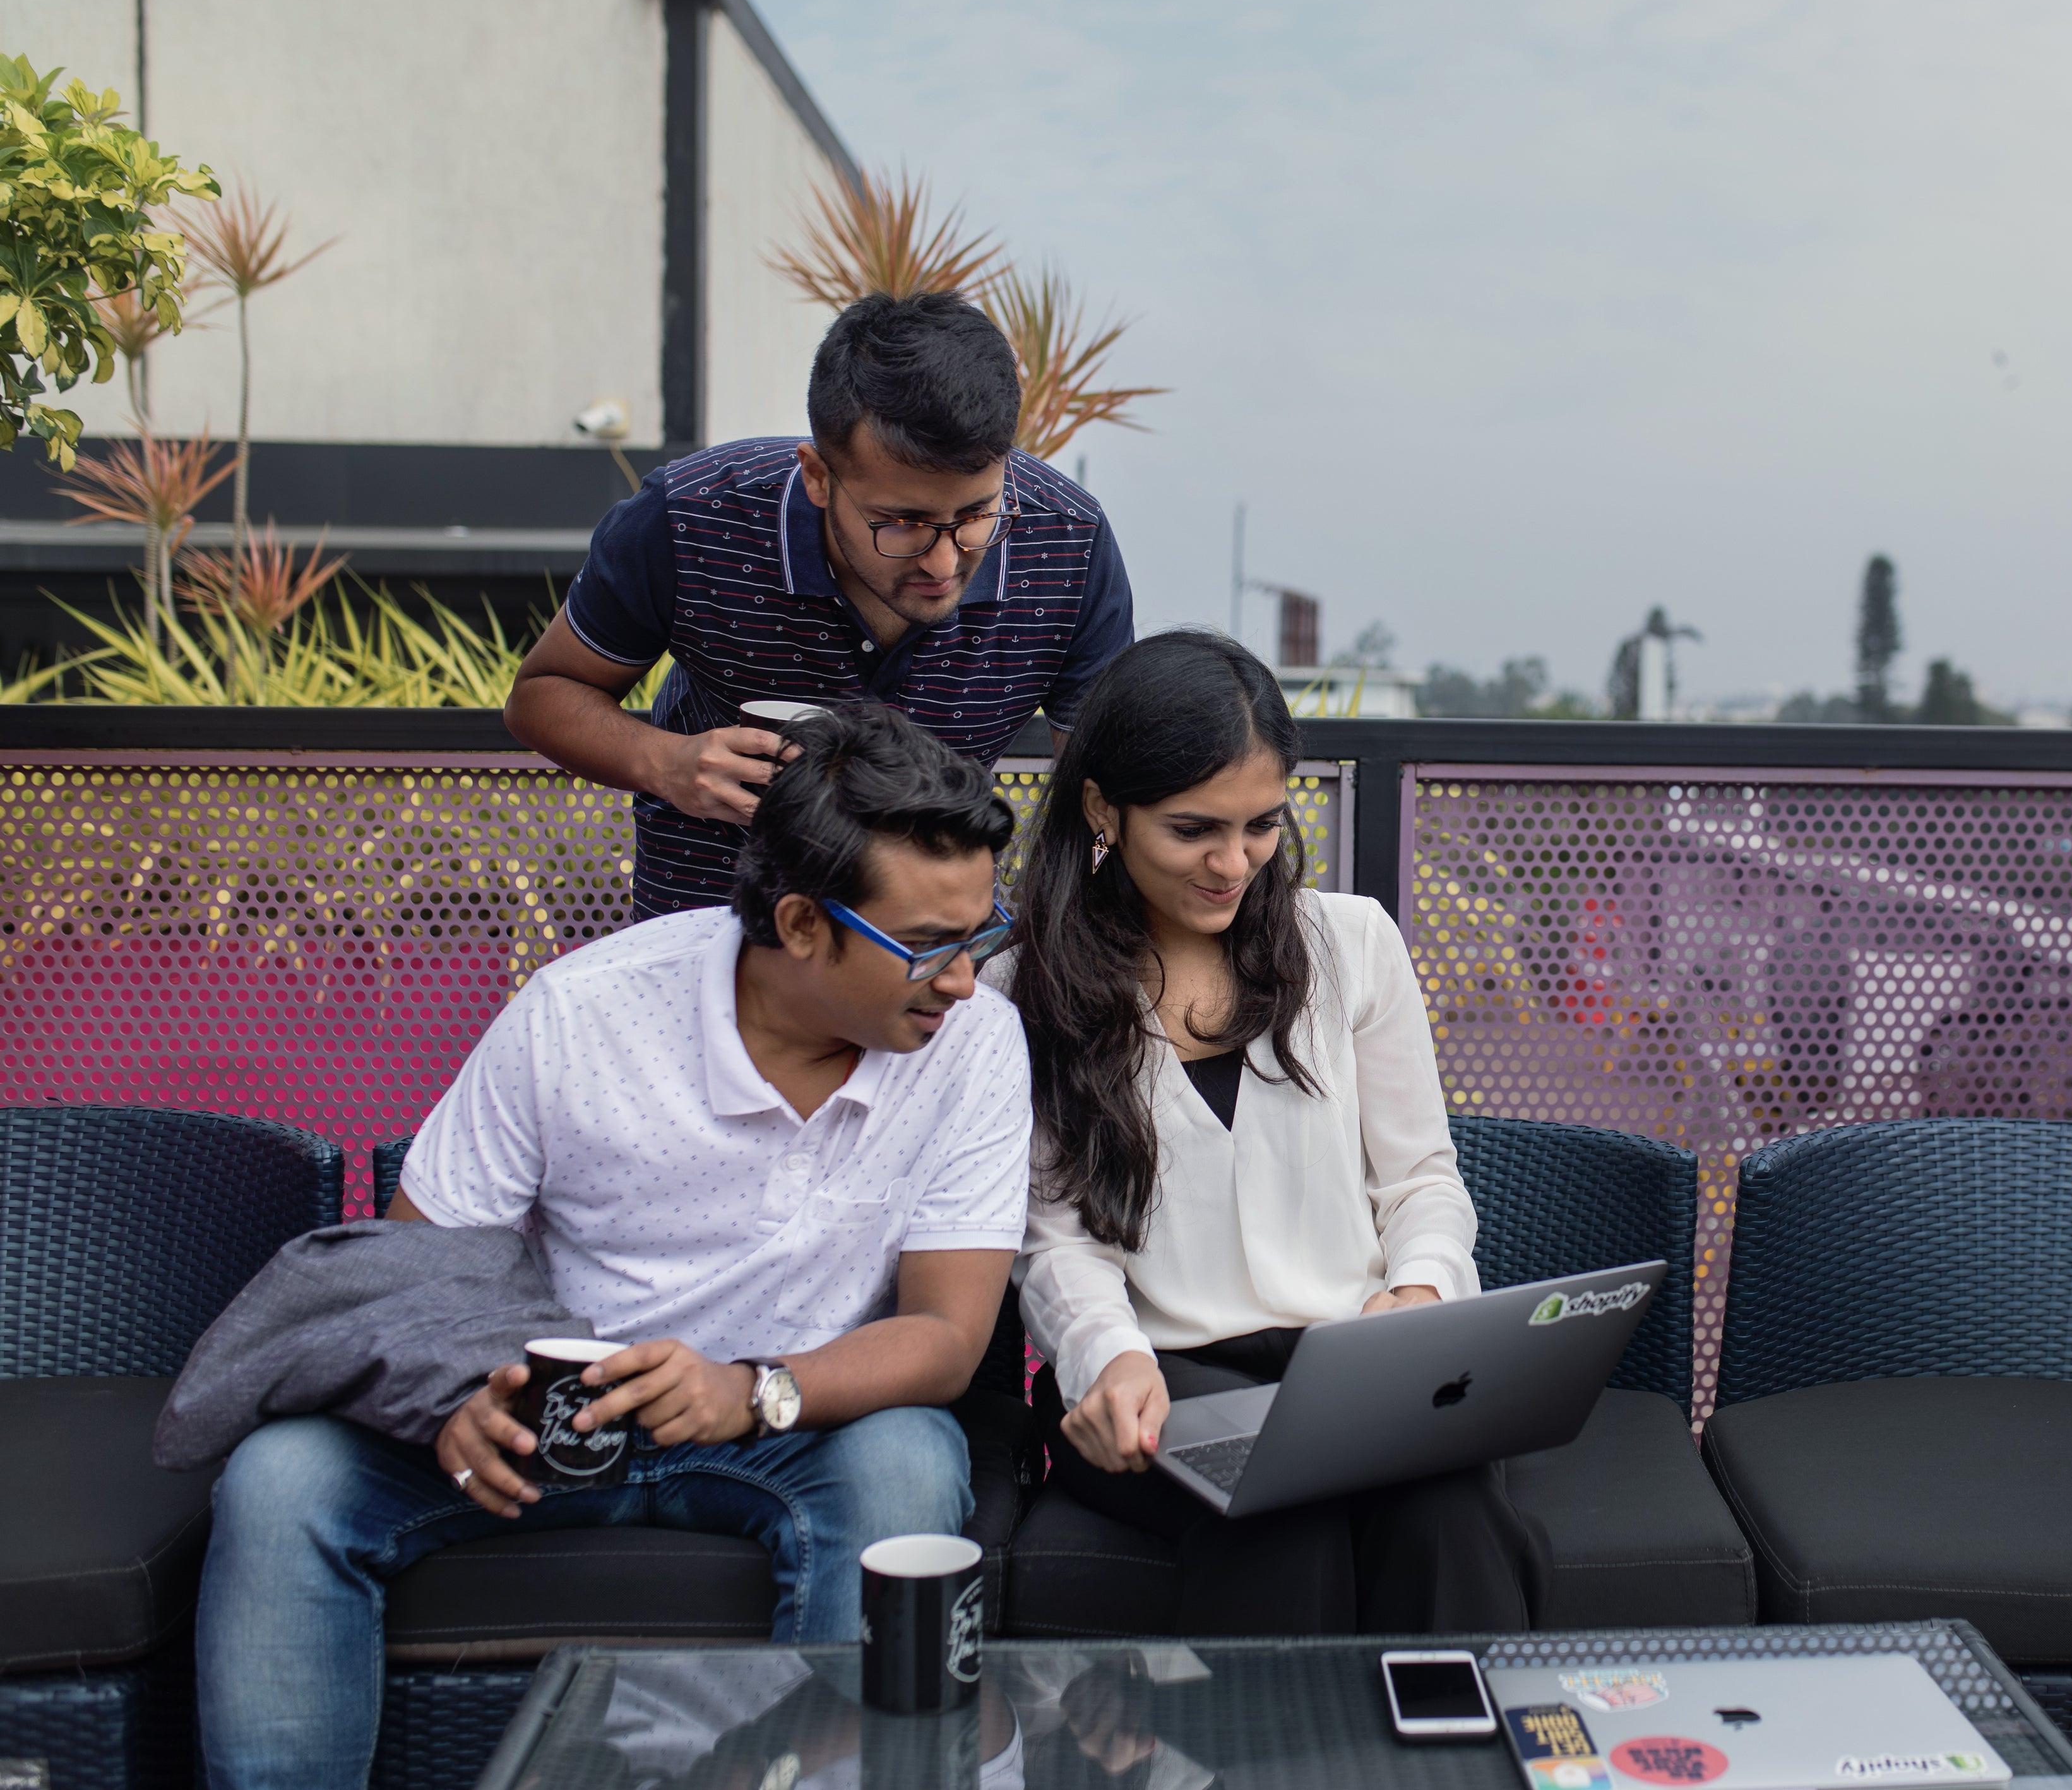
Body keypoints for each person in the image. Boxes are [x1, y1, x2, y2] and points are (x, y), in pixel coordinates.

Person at [194, 703, 1034, 1790]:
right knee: (280, 1480)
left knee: (909, 1457)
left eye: (981, 933)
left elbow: (946, 1333)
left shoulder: (973, 1040)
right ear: (803, 922)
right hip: (562, 1414)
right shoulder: (584, 1013)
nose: (965, 978)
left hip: (789, 1418)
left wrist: (749, 1389)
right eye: (927, 946)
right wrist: (454, 1400)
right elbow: (415, 1274)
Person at [992, 630, 1549, 1634]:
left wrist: (1417, 1295)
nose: (1232, 863)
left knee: (1450, 1512)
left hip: (1351, 1367)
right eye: (1193, 829)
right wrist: (1108, 1360)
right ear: (1100, 810)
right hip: (1164, 1372)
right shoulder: (1022, 990)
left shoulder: (1352, 944)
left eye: (1260, 826)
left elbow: (1422, 1178)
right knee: (1274, 1519)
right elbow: (1056, 1240)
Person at [506, 289, 1136, 919]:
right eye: (902, 523)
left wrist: (1069, 934)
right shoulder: (689, 518)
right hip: (708, 923)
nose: (944, 564)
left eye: (976, 516)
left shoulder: (1067, 544)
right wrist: (667, 763)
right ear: (817, 476)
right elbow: (542, 694)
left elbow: (1106, 798)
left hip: (936, 941)